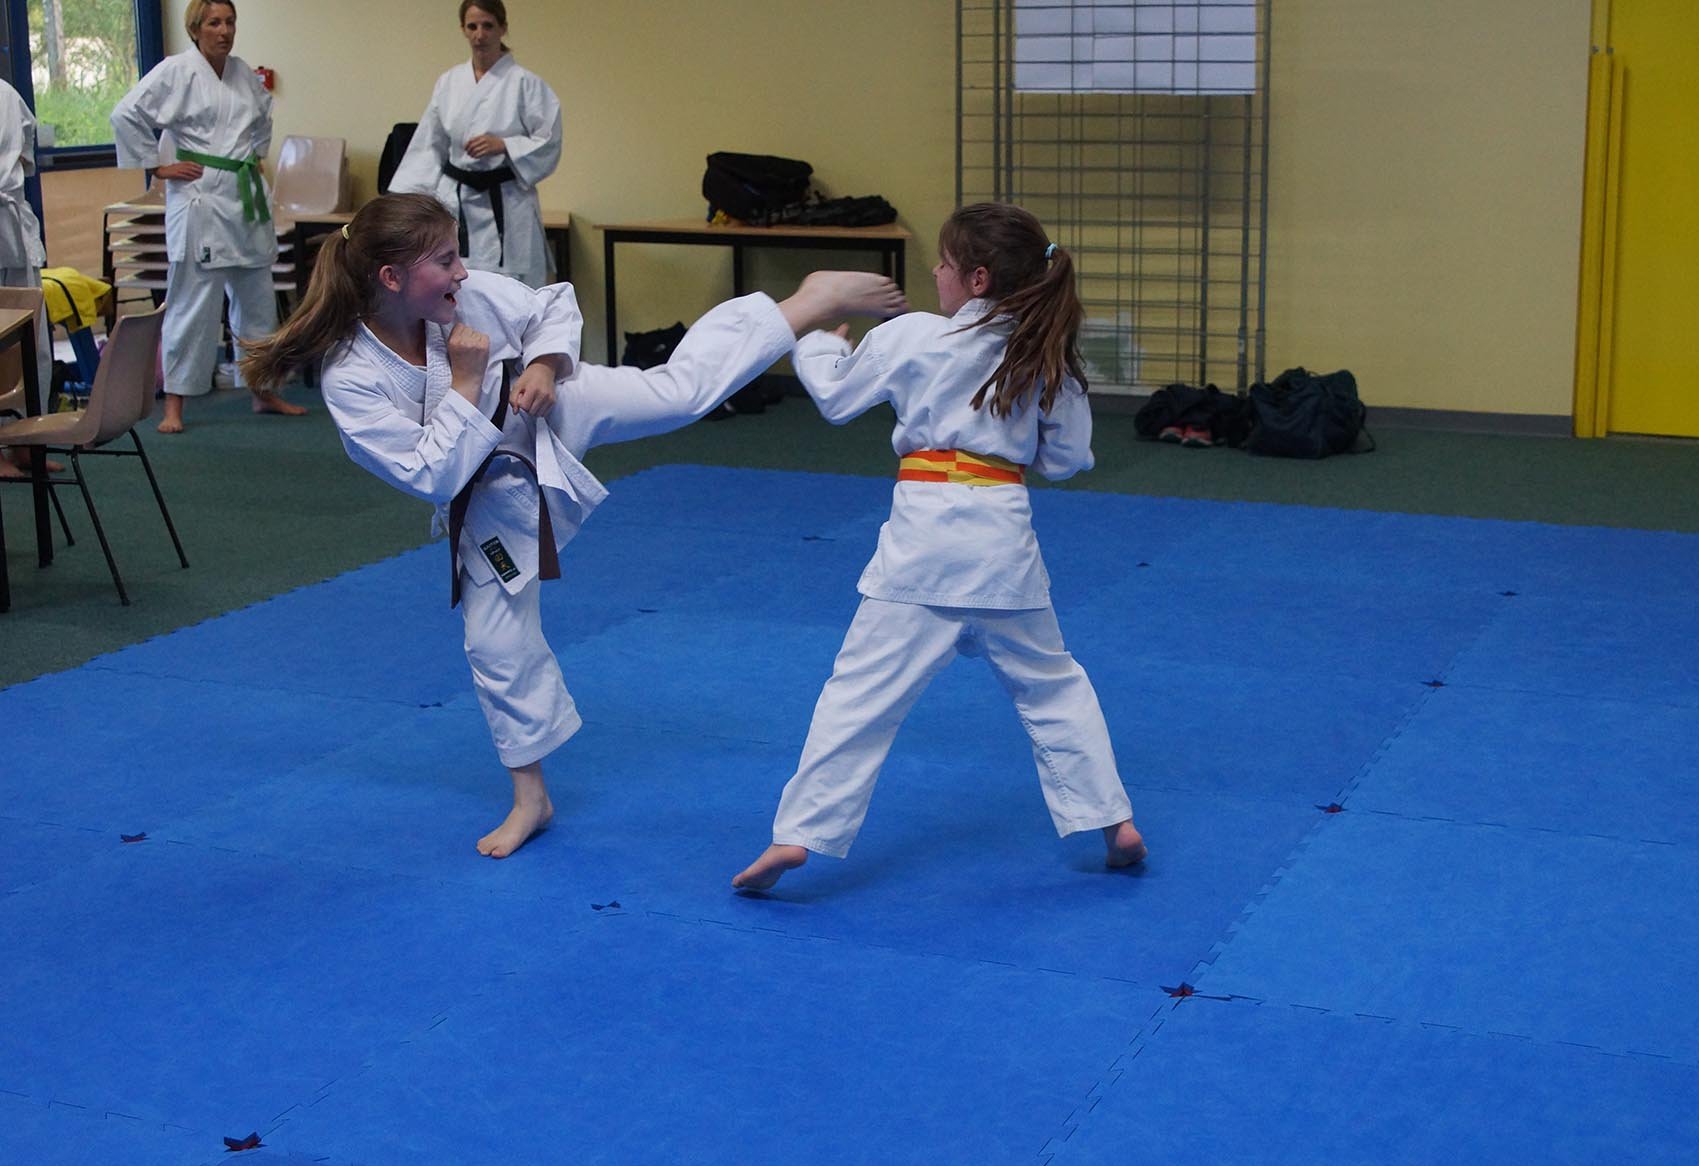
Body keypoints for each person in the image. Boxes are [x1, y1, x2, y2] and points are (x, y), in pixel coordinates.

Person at [241, 193, 904, 859]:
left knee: (679, 392)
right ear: (391, 277)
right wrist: (467, 383)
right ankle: (532, 798)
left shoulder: (469, 295)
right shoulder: (352, 377)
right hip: (484, 486)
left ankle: (807, 303)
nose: (462, 271)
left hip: (548, 407)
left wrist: (543, 365)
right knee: (494, 642)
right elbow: (432, 475)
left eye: (457, 254)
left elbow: (551, 306)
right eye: (444, 260)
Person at [733, 202, 1146, 891]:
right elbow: (1066, 460)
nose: (934, 271)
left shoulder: (913, 336)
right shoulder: (1044, 354)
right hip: (1004, 546)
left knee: (858, 696)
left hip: (922, 548)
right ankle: (1114, 821)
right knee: (1054, 687)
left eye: (946, 263)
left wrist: (820, 345)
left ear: (977, 278)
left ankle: (797, 835)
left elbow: (836, 398)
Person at [110, 0, 305, 433]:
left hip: (243, 197)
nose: (224, 30)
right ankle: (174, 404)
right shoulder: (176, 71)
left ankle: (262, 389)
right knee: (191, 304)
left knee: (257, 300)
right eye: (214, 22)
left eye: (230, 21)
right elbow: (125, 114)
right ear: (195, 28)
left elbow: (263, 119)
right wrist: (157, 167)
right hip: (200, 199)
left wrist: (256, 156)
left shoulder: (242, 73)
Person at [390, 1, 560, 289]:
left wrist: (505, 145)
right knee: (455, 279)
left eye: (488, 26)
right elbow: (430, 145)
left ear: (502, 28)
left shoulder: (526, 83)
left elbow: (549, 140)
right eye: (472, 26)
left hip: (508, 200)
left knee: (512, 287)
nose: (480, 34)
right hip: (457, 199)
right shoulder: (449, 82)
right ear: (463, 30)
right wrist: (404, 201)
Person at [0, 76, 55, 478]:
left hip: (13, 227)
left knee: (32, 343)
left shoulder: (6, 94)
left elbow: (24, 160)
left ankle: (26, 441)